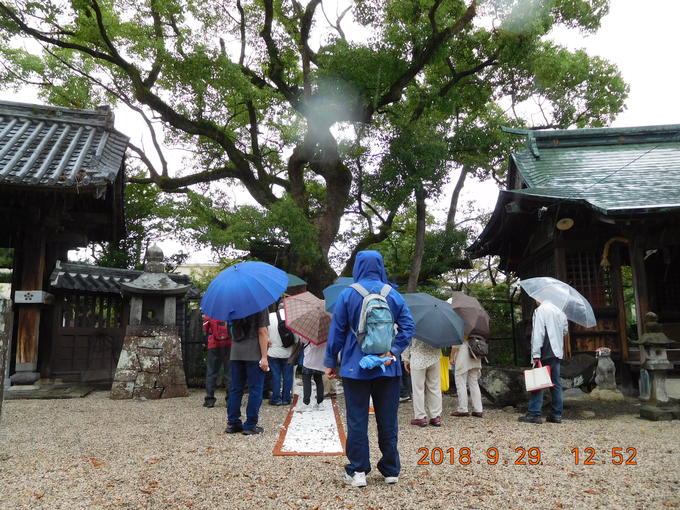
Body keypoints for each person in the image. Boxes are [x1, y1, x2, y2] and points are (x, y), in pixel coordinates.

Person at [324, 250, 415, 488]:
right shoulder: (392, 294)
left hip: (356, 368)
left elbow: (337, 332)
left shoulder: (347, 295)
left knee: (357, 420)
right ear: (381, 266)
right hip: (387, 368)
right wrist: (393, 351)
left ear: (358, 267)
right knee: (387, 420)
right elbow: (408, 327)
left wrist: (331, 361)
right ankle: (390, 470)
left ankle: (358, 471)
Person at [518, 299, 568, 424]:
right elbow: (565, 331)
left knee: (538, 382)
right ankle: (556, 414)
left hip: (544, 350)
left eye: (536, 298)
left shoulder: (541, 310)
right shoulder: (560, 312)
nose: (535, 300)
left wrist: (535, 353)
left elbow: (538, 333)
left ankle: (534, 413)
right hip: (556, 351)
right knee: (556, 383)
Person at [225, 308, 270, 435]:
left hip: (236, 352)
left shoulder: (233, 307)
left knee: (236, 388)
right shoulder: (260, 306)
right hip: (254, 352)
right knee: (255, 389)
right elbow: (262, 331)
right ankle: (250, 424)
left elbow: (231, 330)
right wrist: (264, 357)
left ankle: (233, 423)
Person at [403, 338, 442, 426]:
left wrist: (406, 359)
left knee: (418, 389)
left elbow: (407, 340)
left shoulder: (414, 324)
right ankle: (435, 417)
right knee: (434, 387)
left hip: (418, 357)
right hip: (434, 356)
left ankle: (420, 417)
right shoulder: (437, 324)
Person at [202, 315, 232, 408]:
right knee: (229, 372)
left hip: (213, 344)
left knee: (211, 372)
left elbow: (205, 329)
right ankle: (230, 400)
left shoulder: (210, 313)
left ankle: (209, 400)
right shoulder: (230, 312)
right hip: (229, 344)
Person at [267, 306, 295, 406]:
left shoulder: (270, 316)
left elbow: (264, 332)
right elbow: (295, 338)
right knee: (288, 375)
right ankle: (286, 399)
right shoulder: (292, 317)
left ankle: (276, 399)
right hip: (288, 352)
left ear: (278, 308)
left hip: (273, 352)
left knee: (275, 375)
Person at [451, 337, 483, 418]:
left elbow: (456, 344)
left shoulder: (461, 325)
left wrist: (452, 357)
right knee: (474, 383)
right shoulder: (475, 326)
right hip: (475, 352)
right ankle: (478, 409)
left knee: (461, 382)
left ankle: (463, 409)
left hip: (463, 354)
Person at [302, 340, 327, 408]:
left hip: (308, 361)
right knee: (319, 381)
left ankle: (306, 403)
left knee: (306, 381)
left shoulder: (309, 333)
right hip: (319, 362)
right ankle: (320, 403)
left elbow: (302, 341)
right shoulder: (325, 336)